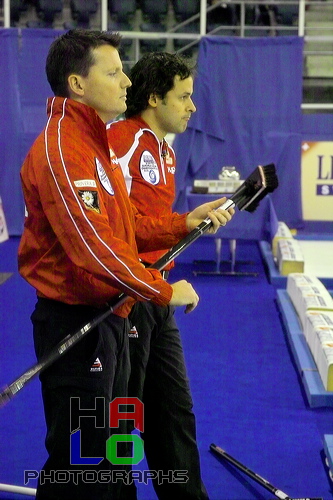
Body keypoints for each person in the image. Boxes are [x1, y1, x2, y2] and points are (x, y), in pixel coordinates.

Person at [18, 31, 234, 500]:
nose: (126, 81)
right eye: (114, 71)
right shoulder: (63, 149)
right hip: (77, 323)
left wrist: (182, 223)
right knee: (82, 462)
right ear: (77, 83)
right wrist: (161, 290)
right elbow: (93, 246)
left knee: (109, 453)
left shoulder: (95, 144)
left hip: (112, 314)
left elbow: (125, 225)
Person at [107, 52, 232, 499]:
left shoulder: (163, 149)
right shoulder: (121, 141)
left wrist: (185, 222)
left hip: (158, 297)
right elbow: (113, 231)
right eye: (184, 97)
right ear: (155, 97)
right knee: (121, 420)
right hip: (125, 299)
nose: (192, 107)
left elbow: (152, 224)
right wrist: (177, 229)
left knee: (175, 413)